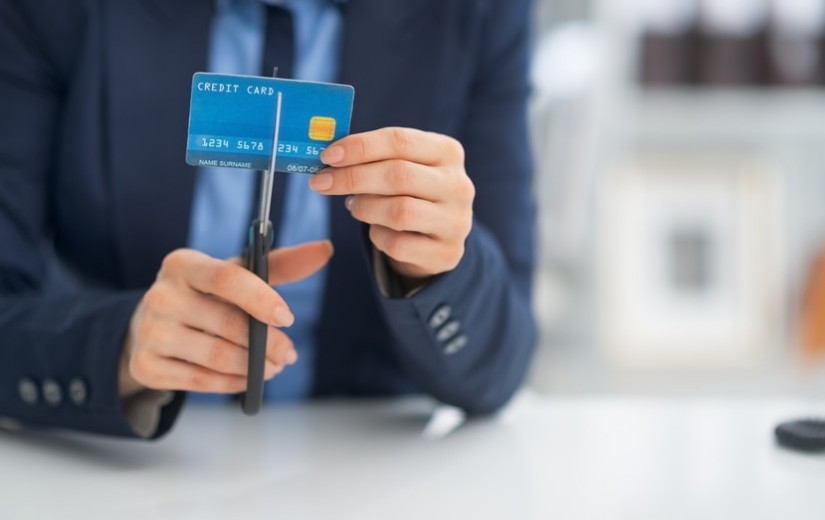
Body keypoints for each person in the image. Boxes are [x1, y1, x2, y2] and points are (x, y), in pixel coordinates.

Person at [0, 0, 537, 439]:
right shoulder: (52, 12)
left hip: (365, 474)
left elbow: (500, 370)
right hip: (130, 475)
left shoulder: (477, 12)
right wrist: (118, 344)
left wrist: (432, 267)